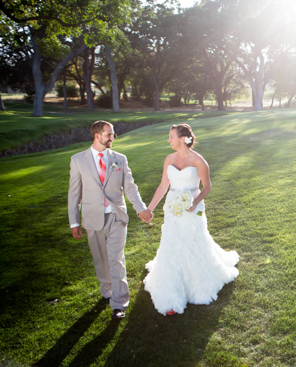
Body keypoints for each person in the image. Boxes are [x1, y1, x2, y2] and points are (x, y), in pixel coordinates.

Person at [143, 123, 239, 315]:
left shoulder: (198, 161)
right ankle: (171, 292)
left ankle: (197, 283)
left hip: (192, 207)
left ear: (182, 139)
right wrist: (149, 208)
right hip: (172, 207)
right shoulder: (169, 159)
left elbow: (207, 187)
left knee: (193, 242)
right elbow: (163, 186)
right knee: (172, 243)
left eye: (171, 137)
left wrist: (194, 203)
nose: (168, 140)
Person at [68, 120, 152, 319]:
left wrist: (140, 208)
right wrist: (74, 222)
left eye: (112, 134)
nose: (113, 138)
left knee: (115, 258)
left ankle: (119, 303)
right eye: (109, 134)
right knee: (101, 259)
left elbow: (130, 187)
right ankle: (107, 290)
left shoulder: (120, 159)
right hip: (91, 218)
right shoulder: (78, 160)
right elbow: (74, 193)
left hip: (116, 216)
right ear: (97, 136)